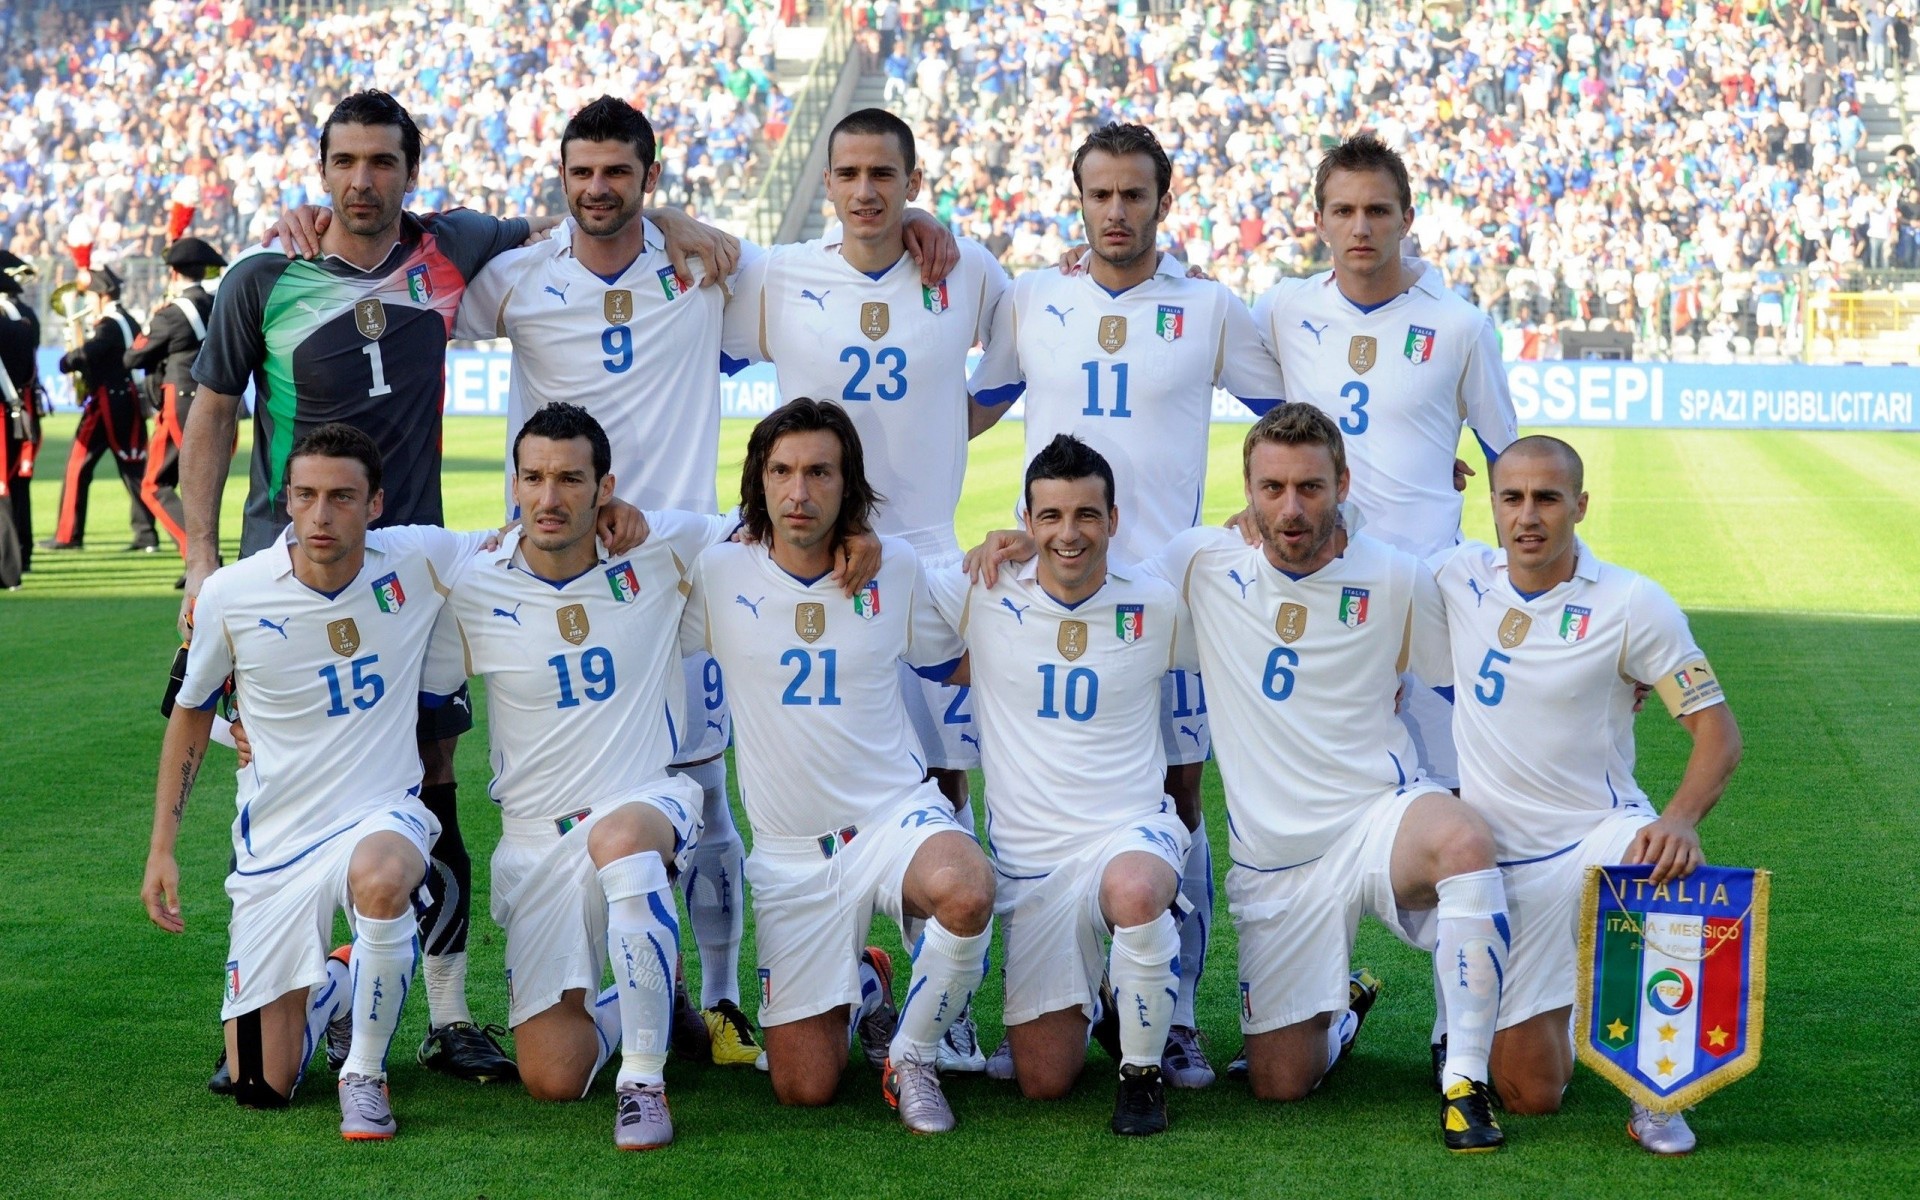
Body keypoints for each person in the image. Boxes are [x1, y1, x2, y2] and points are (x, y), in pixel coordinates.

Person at [455, 95, 944, 1067]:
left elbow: (837, 262)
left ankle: (719, 1002)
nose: (599, 189)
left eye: (618, 173)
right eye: (582, 171)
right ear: (561, 176)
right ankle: (642, 990)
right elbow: (415, 287)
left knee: (709, 785)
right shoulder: (514, 279)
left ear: (650, 177)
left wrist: (917, 225)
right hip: (568, 573)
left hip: (684, 566)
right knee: (612, 787)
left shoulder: (704, 270)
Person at [968, 121, 1288, 1089]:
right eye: (1099, 195)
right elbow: (970, 409)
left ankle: (1175, 1012)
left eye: (1133, 195)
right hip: (1050, 586)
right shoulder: (1036, 297)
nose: (1116, 212)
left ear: (1164, 199)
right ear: (1080, 199)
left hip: (1167, 601)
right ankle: (1030, 993)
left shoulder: (1209, 308)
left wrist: (1290, 496)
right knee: (1031, 777)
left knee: (1180, 798)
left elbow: (1292, 419)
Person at [1139, 403, 1510, 1153]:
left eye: (1310, 487)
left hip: (1378, 820)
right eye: (1271, 488)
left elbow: (1474, 669)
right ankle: (1341, 1009)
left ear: (1343, 483)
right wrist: (1014, 546)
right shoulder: (1200, 564)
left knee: (1464, 840)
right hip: (1277, 863)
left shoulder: (1398, 576)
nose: (1291, 507)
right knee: (1280, 1084)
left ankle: (1465, 1079)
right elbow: (1092, 598)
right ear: (1246, 490)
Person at [721, 107, 1007, 1072]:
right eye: (847, 172)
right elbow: (694, 304)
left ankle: (946, 1001)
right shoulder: (780, 271)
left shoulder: (962, 269)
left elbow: (1005, 378)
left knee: (942, 776)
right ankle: (848, 970)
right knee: (833, 744)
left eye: (884, 172)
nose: (866, 189)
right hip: (814, 544)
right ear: (830, 182)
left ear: (912, 178)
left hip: (918, 549)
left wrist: (928, 450)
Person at [140, 424, 491, 1140]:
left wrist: (615, 515)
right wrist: (162, 848)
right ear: (286, 501)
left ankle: (364, 1074)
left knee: (385, 876)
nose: (321, 515)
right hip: (275, 844)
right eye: (305, 496)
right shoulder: (234, 594)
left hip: (382, 814)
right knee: (257, 1088)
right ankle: (334, 986)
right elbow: (188, 713)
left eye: (341, 497)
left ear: (376, 503)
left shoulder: (419, 558)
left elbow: (528, 536)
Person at [679, 397, 995, 1134]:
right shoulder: (718, 572)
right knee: (804, 1087)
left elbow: (965, 659)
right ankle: (869, 983)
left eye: (819, 472)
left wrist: (1014, 552)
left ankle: (910, 1059)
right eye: (782, 471)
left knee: (966, 887)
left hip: (892, 819)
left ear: (846, 482)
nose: (799, 492)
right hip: (792, 859)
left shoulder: (897, 570)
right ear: (758, 480)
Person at [1429, 435, 1743, 1156]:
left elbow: (1719, 735)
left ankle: (1656, 1093)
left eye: (1547, 498)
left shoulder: (1633, 601)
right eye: (1512, 498)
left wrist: (1681, 818)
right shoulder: (1457, 576)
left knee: (1658, 860)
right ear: (1494, 506)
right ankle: (1579, 1011)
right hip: (1496, 870)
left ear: (1580, 505)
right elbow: (1355, 558)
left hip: (1596, 836)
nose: (1528, 516)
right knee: (1530, 1096)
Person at [433, 403, 734, 1148]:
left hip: (642, 802)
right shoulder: (472, 589)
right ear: (515, 483)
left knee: (624, 840)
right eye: (533, 477)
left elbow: (772, 531)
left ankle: (643, 1081)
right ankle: (650, 997)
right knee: (554, 1077)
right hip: (536, 840)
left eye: (570, 478)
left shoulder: (663, 551)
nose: (549, 496)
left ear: (606, 487)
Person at [926, 435, 1189, 1136]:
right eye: (1049, 517)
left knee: (1133, 890)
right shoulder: (981, 591)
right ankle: (1107, 999)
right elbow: (894, 603)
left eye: (1086, 515)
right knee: (1043, 1082)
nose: (1068, 534)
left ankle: (1141, 1075)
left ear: (1114, 520)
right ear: (1025, 518)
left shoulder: (1157, 603)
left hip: (1129, 832)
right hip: (1034, 864)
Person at [1252, 134, 1517, 794]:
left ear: (1407, 218)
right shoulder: (1285, 307)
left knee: (1442, 798)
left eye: (1377, 210)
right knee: (1318, 800)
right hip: (1317, 589)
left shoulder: (1459, 326)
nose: (1360, 227)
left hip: (1424, 592)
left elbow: (1508, 464)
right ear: (1319, 221)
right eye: (1343, 211)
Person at [126, 236, 226, 573]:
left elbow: (135, 355)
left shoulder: (170, 314)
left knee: (171, 483)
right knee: (171, 482)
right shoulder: (217, 303)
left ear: (173, 273)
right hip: (213, 395)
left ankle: (203, 557)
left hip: (179, 398)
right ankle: (198, 556)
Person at [43, 265, 153, 552]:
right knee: (133, 466)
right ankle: (146, 534)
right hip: (128, 398)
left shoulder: (108, 324)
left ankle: (68, 535)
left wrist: (68, 360)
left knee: (77, 466)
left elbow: (88, 353)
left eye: (91, 296)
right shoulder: (128, 319)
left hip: (106, 402)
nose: (88, 302)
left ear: (102, 295)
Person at [0, 249, 41, 589]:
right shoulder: (25, 323)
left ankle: (9, 566)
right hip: (22, 408)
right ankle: (23, 555)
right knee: (18, 485)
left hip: (6, 409)